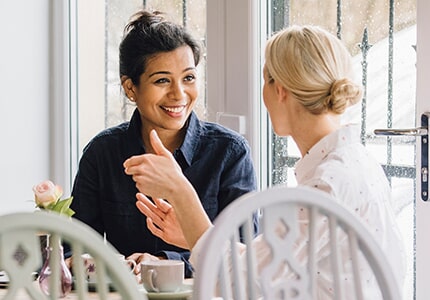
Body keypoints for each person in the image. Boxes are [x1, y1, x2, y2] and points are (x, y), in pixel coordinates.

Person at [124, 25, 406, 297]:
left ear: (279, 89)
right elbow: (268, 266)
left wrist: (180, 190)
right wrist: (191, 233)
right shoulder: (353, 165)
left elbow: (240, 284)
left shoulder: (325, 185)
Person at [69, 9, 257, 278]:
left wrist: (162, 262)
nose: (179, 94)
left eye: (189, 78)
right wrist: (109, 266)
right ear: (130, 88)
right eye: (162, 80)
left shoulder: (230, 153)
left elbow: (246, 253)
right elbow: (74, 247)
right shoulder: (102, 153)